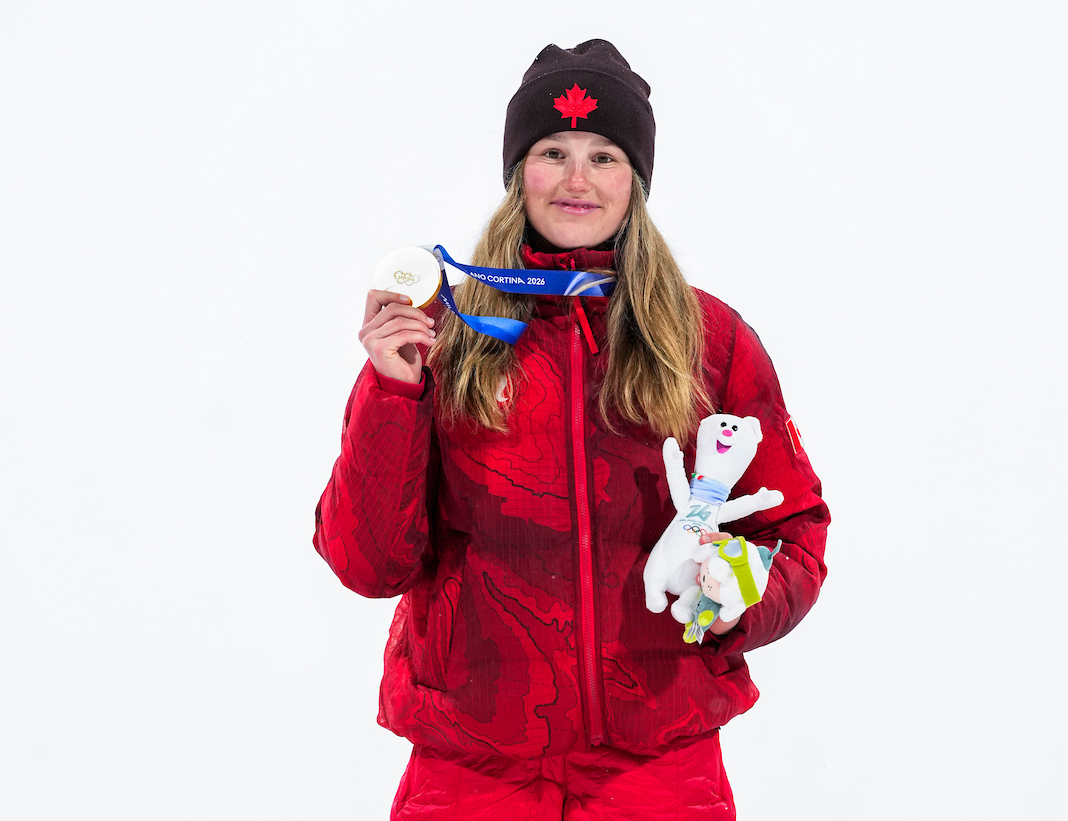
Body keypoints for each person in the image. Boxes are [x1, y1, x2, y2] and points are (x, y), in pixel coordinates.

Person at [313, 39, 829, 820]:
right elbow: (370, 564)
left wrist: (739, 594)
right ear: (519, 172)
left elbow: (794, 532)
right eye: (552, 151)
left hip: (659, 766)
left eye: (604, 156)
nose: (577, 179)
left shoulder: (710, 340)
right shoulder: (445, 335)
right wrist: (392, 389)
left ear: (636, 181)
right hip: (472, 769)